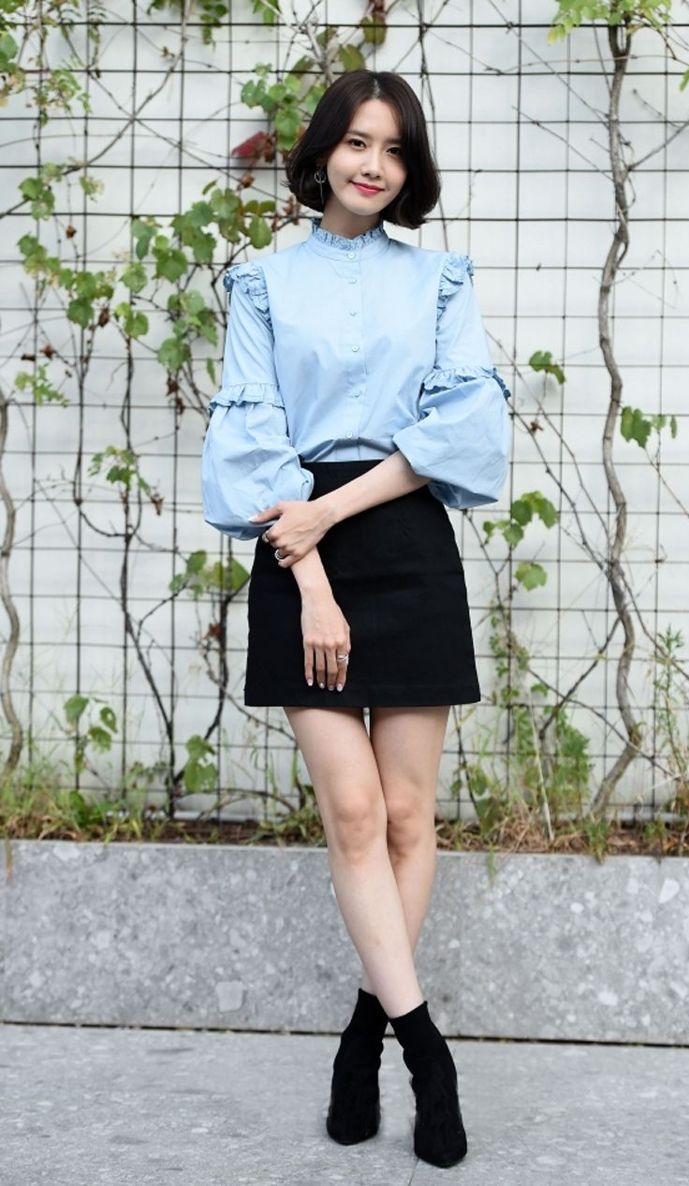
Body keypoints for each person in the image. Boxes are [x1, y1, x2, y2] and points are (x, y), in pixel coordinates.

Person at [202, 68, 511, 1169]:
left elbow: (462, 425)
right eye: (355, 142)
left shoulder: (437, 281)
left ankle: (360, 1038)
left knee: (409, 815)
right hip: (298, 552)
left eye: (393, 148)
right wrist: (315, 577)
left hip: (403, 536)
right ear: (322, 152)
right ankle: (427, 1053)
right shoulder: (261, 284)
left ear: (408, 167)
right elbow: (252, 443)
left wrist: (335, 512)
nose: (372, 165)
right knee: (351, 809)